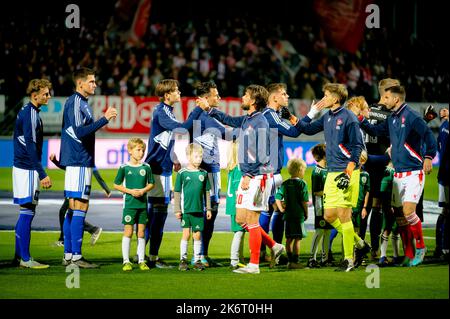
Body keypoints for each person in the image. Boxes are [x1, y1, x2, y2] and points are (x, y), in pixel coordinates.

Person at [201, 84, 285, 274]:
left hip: (258, 177)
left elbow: (263, 154)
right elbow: (228, 119)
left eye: (246, 95)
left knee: (252, 219)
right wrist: (209, 110)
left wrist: (248, 175)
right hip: (248, 176)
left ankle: (254, 265)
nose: (243, 97)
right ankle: (274, 245)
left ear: (253, 101)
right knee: (241, 218)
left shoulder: (261, 122)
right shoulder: (248, 119)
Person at [359, 85, 437, 266]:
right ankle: (408, 254)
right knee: (400, 218)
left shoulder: (412, 116)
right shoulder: (392, 118)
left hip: (413, 173)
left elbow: (428, 136)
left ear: (396, 99)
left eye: (386, 97)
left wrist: (428, 157)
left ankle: (420, 247)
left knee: (409, 212)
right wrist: (362, 120)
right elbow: (377, 132)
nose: (383, 100)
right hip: (398, 174)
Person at [296, 83, 370, 272]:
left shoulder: (350, 118)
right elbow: (306, 128)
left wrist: (351, 168)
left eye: (326, 95)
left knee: (344, 216)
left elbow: (357, 146)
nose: (323, 98)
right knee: (329, 215)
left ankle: (348, 260)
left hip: (347, 172)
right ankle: (360, 244)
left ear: (336, 99)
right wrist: (310, 113)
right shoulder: (327, 116)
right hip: (332, 173)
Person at [144, 79, 207, 268]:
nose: (179, 92)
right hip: (156, 170)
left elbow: (165, 140)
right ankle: (147, 257)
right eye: (176, 90)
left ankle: (148, 256)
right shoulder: (162, 111)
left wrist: (173, 158)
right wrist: (199, 109)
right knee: (156, 216)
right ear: (167, 95)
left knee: (156, 215)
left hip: (161, 167)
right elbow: (182, 129)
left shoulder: (166, 111)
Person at [60, 67, 117, 268]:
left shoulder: (82, 103)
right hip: (78, 161)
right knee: (80, 207)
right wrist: (104, 119)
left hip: (78, 160)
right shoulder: (76, 102)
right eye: (91, 81)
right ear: (80, 83)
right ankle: (76, 257)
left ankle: (69, 255)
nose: (95, 84)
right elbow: (79, 132)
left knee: (73, 209)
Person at [259, 83, 319, 262]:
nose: (287, 97)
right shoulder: (270, 115)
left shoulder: (273, 115)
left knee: (272, 210)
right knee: (271, 211)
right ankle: (270, 251)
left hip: (270, 170)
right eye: (284, 94)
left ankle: (270, 251)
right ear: (274, 98)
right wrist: (311, 114)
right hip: (268, 171)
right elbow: (293, 132)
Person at [191, 81, 235, 267]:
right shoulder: (206, 117)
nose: (219, 98)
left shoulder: (198, 115)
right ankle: (200, 255)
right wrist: (251, 126)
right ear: (206, 98)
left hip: (202, 168)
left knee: (203, 211)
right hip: (209, 169)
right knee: (209, 211)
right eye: (216, 95)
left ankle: (200, 254)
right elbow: (228, 135)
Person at [12, 79, 53, 269]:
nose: (49, 96)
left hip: (23, 167)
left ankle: (19, 255)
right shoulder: (30, 114)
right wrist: (42, 173)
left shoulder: (30, 111)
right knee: (27, 212)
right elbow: (30, 144)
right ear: (35, 95)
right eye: (45, 94)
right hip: (27, 168)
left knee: (26, 211)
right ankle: (26, 259)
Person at [363, 78, 400, 260]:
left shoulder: (367, 109)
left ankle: (360, 246)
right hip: (383, 164)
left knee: (363, 207)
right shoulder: (392, 114)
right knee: (380, 208)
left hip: (364, 163)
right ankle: (377, 249)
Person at [49, 153, 109, 247]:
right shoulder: (74, 155)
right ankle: (92, 230)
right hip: (71, 184)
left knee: (66, 213)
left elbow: (95, 171)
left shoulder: (84, 156)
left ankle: (65, 239)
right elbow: (67, 168)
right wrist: (55, 161)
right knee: (69, 213)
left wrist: (105, 188)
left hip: (76, 186)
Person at [113, 138, 155, 271]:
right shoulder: (124, 167)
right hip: (129, 205)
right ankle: (126, 261)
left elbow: (151, 183)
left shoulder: (146, 167)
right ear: (130, 151)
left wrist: (143, 190)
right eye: (138, 150)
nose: (141, 152)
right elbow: (116, 184)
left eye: (143, 150)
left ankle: (141, 260)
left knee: (141, 232)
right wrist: (130, 191)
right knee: (128, 231)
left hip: (142, 205)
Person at [174, 143, 212, 271]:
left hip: (199, 211)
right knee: (186, 235)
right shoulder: (182, 173)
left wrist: (208, 208)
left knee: (197, 235)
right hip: (186, 211)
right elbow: (177, 192)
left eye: (200, 156)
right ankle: (183, 259)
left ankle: (197, 260)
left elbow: (207, 192)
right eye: (196, 156)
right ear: (189, 157)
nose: (199, 159)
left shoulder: (204, 173)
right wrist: (177, 209)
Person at [275, 158, 309, 269]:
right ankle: (295, 262)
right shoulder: (302, 184)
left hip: (288, 215)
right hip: (298, 215)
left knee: (289, 239)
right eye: (303, 170)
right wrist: (306, 212)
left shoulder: (285, 183)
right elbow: (304, 201)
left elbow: (277, 197)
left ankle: (289, 261)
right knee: (297, 238)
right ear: (299, 170)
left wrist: (281, 209)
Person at [307, 143, 333, 268]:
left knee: (327, 231)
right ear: (324, 156)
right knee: (319, 231)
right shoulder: (317, 172)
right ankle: (312, 258)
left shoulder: (329, 169)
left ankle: (325, 258)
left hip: (329, 205)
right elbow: (317, 192)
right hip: (320, 207)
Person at [225, 141, 246, 269]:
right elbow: (239, 189)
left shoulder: (231, 168)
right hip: (237, 205)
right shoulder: (239, 168)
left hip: (232, 205)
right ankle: (234, 260)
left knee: (240, 232)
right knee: (239, 232)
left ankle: (240, 258)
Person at [378, 161, 402, 266]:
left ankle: (396, 256)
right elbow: (383, 191)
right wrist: (389, 205)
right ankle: (382, 256)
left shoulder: (397, 170)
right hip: (390, 205)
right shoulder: (387, 171)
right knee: (387, 228)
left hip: (398, 204)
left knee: (396, 229)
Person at [435, 106, 449, 259]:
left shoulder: (443, 127)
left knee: (445, 211)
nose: (443, 111)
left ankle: (442, 247)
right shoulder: (445, 127)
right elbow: (443, 153)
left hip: (444, 174)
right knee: (446, 212)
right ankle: (443, 247)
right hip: (446, 175)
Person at [352, 151, 370, 239]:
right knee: (347, 231)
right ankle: (347, 252)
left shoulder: (365, 175)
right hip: (349, 207)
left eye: (362, 160)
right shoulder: (349, 173)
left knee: (357, 230)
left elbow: (367, 191)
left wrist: (364, 207)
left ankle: (355, 252)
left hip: (359, 208)